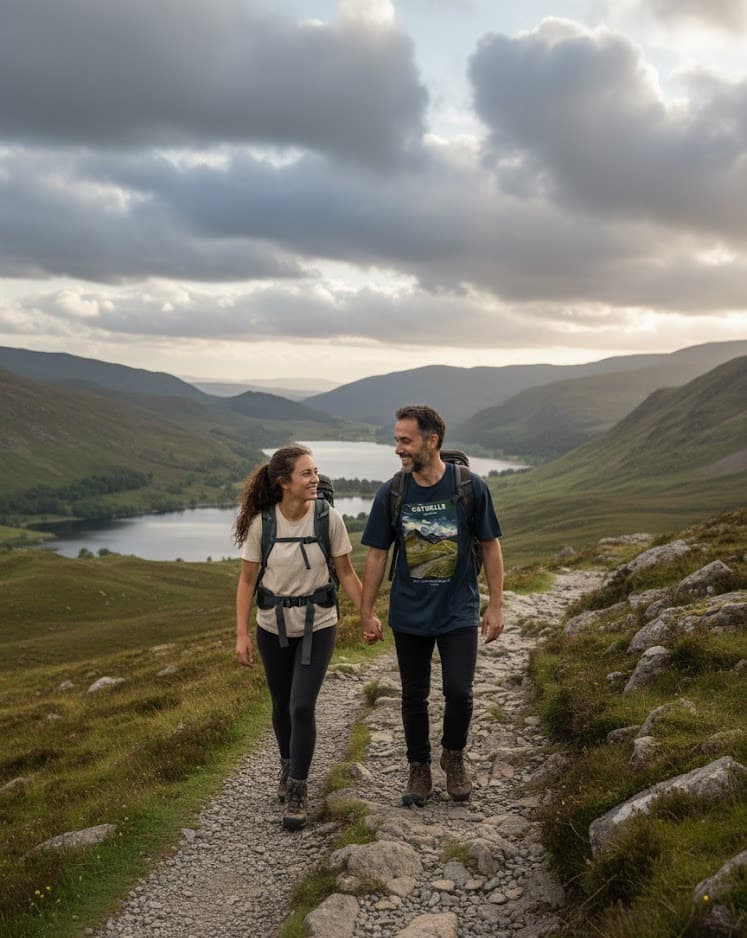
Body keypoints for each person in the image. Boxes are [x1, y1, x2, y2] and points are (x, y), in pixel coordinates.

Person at [360, 405, 504, 806]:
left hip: (458, 608)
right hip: (409, 612)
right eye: (396, 441)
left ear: (432, 440)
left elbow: (490, 545)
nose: (398, 449)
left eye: (405, 441)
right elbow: (376, 554)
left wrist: (496, 604)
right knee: (413, 695)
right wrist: (367, 612)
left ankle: (453, 755)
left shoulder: (470, 487)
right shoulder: (392, 492)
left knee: (459, 691)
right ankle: (419, 766)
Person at [234, 445, 371, 830]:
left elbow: (346, 572)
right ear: (284, 481)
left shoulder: (329, 519)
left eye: (315, 472)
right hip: (272, 627)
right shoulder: (263, 525)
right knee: (281, 704)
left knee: (301, 705)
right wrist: (242, 633)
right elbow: (246, 581)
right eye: (307, 473)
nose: (315, 479)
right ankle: (287, 764)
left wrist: (367, 615)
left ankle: (298, 787)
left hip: (319, 624)